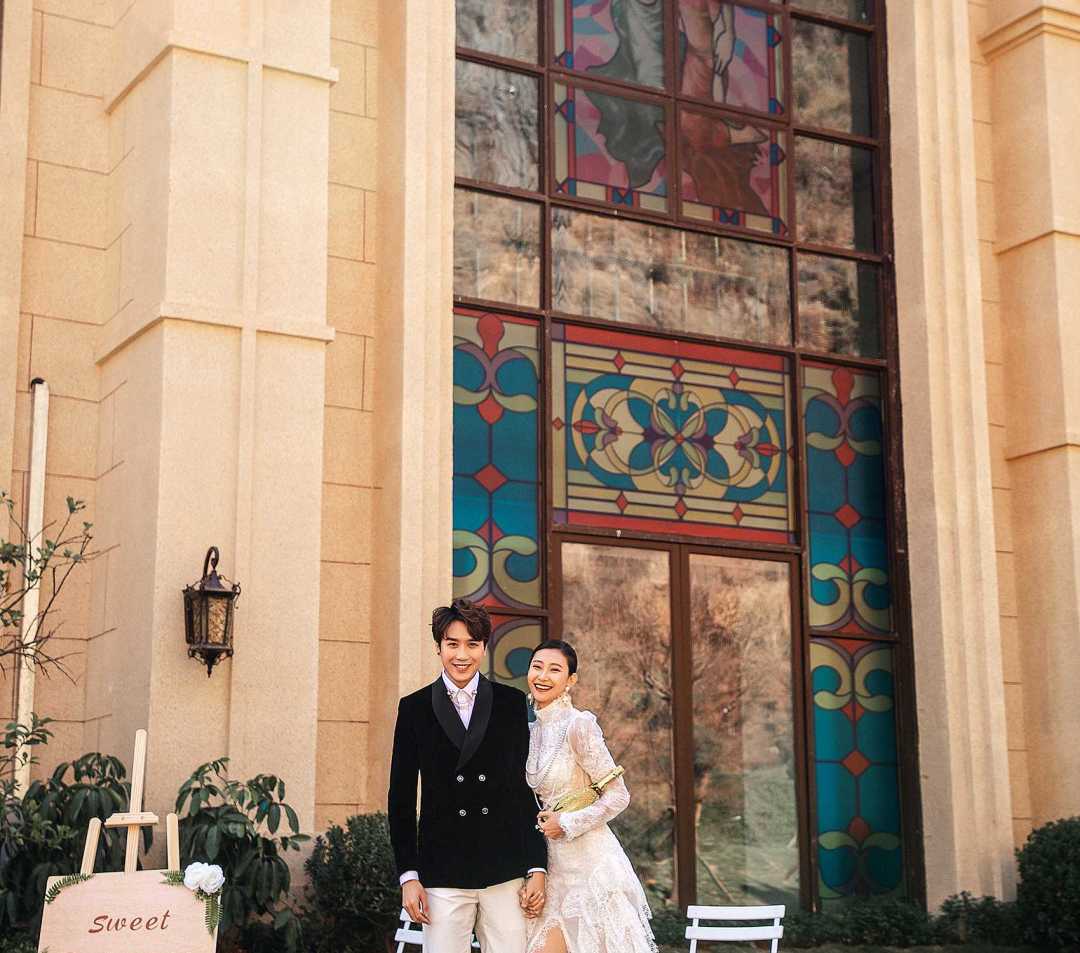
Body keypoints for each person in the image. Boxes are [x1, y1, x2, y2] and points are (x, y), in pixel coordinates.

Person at [387, 598, 548, 953]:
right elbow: (401, 799)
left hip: (504, 866)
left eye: (472, 644)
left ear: (484, 647)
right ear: (439, 647)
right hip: (443, 868)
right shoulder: (414, 708)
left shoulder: (510, 703)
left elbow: (527, 790)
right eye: (452, 644)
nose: (462, 655)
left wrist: (537, 865)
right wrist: (408, 875)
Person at [521, 639, 658, 953]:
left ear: (571, 680)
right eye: (537, 667)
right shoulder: (529, 732)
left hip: (589, 866)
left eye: (555, 670)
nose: (543, 676)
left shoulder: (579, 725)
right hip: (550, 868)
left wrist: (567, 823)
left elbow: (619, 795)